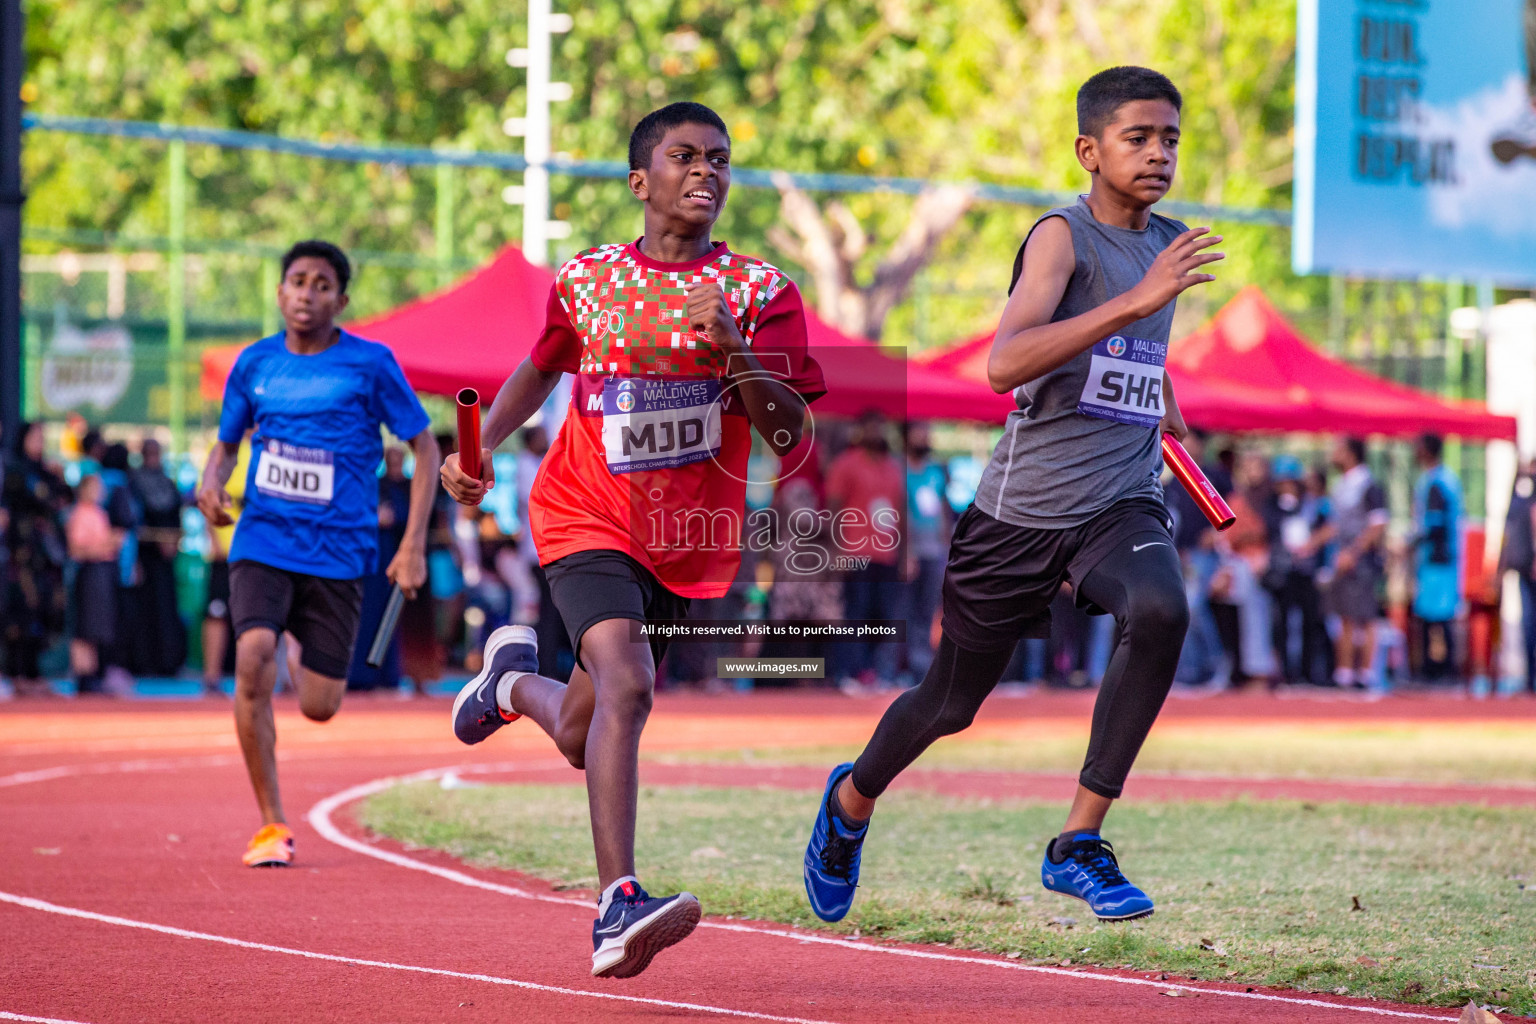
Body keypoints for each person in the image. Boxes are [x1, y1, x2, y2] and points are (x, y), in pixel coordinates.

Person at [802, 66, 1219, 926]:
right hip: (1020, 516)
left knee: (1163, 609)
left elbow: (1129, 358)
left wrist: (1162, 397)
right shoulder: (1062, 239)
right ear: (1089, 149)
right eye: (1138, 137)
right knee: (950, 704)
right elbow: (1004, 364)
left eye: (1170, 138)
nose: (1158, 153)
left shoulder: (1167, 244)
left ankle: (1079, 843)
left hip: (1120, 500)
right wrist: (1134, 304)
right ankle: (851, 804)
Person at [439, 101, 824, 978]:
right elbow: (542, 364)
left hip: (685, 539)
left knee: (585, 731)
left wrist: (738, 354)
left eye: (720, 159)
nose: (706, 172)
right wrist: (483, 449)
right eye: (684, 156)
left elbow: (789, 434)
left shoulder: (764, 293)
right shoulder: (588, 280)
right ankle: (618, 903)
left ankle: (508, 687)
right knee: (628, 681)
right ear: (639, 181)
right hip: (584, 511)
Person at [197, 239, 440, 868]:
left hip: (340, 551)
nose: (308, 293)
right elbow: (226, 445)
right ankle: (271, 824)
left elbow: (425, 448)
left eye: (322, 284)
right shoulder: (253, 364)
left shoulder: (370, 364)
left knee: (319, 706)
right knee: (252, 656)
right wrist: (209, 481)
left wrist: (411, 545)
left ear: (342, 299)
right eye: (298, 281)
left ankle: (303, 644)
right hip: (264, 538)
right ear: (280, 293)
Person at [825, 410, 905, 688]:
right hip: (854, 552)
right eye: (870, 429)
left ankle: (869, 670)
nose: (876, 434)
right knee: (854, 613)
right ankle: (848, 672)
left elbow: (901, 514)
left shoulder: (893, 468)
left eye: (880, 429)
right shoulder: (846, 465)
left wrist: (907, 554)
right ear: (859, 432)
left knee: (881, 614)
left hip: (886, 554)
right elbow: (833, 509)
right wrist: (836, 551)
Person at [1314, 437, 1388, 689]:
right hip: (1343, 560)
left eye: (1338, 449)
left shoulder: (1368, 485)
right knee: (1344, 615)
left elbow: (1377, 525)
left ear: (1351, 453)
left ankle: (1366, 674)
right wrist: (1309, 545)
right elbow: (1335, 526)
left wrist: (1354, 552)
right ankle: (1344, 673)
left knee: (1365, 617)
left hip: (1362, 562)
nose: (1333, 454)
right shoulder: (1343, 485)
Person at [3, 422, 70, 697]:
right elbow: (32, 500)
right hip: (21, 553)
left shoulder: (47, 471)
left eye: (43, 437)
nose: (40, 442)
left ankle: (34, 674)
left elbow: (65, 498)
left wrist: (59, 479)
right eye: (35, 437)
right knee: (22, 611)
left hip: (46, 555)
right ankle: (16, 674)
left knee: (46, 612)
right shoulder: (15, 469)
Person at [129, 438, 187, 677]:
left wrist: (172, 541)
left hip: (166, 561)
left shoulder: (167, 483)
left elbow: (176, 515)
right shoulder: (134, 482)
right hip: (146, 559)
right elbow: (134, 522)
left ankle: (169, 662)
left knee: (167, 609)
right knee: (145, 612)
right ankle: (145, 663)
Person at [1410, 434, 1462, 683]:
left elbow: (1433, 525)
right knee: (1436, 617)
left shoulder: (1438, 482)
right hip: (1437, 559)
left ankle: (1439, 670)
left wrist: (1410, 543)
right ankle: (1439, 669)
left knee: (1437, 618)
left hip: (1438, 560)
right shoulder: (1437, 479)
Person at [66, 474, 123, 695]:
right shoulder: (80, 513)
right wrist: (106, 546)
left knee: (97, 624)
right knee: (85, 626)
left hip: (102, 573)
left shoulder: (99, 513)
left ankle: (94, 673)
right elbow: (76, 550)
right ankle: (83, 675)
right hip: (88, 572)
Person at [1501, 457, 1536, 694]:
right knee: (1528, 625)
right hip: (1524, 570)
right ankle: (1529, 678)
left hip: (1529, 567)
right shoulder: (1520, 502)